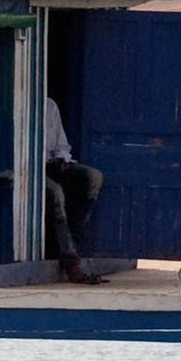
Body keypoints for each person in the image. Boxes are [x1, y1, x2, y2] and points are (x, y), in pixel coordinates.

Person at [41, 95, 103, 261]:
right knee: (55, 192)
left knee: (93, 177)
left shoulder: (49, 105)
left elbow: (61, 145)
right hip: (31, 169)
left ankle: (73, 238)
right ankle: (69, 256)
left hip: (52, 164)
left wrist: (60, 158)